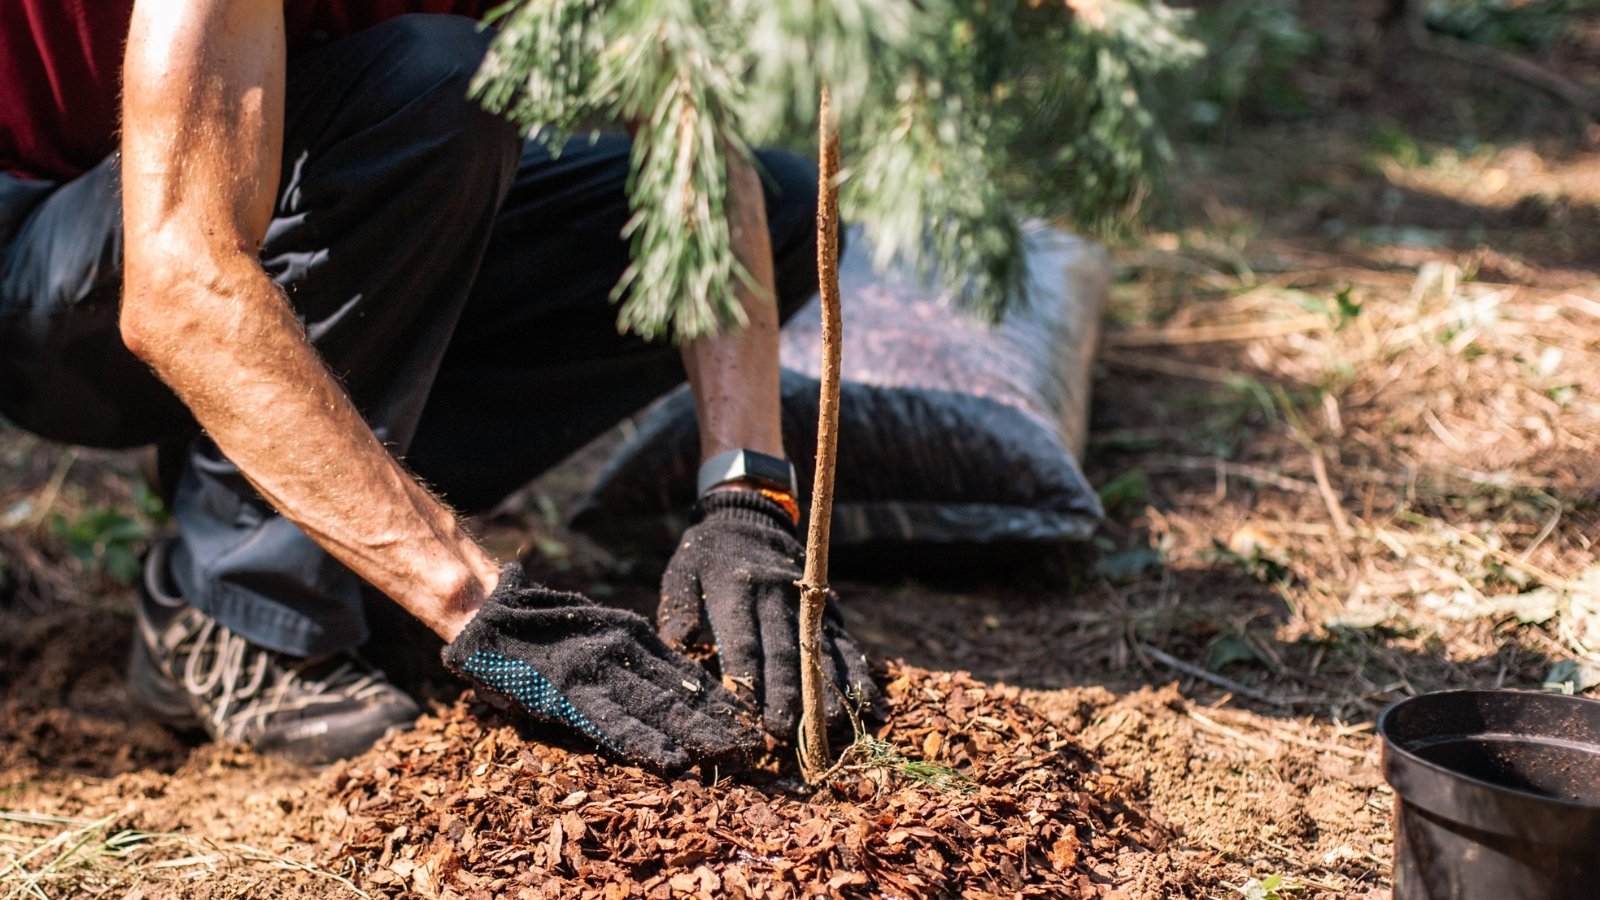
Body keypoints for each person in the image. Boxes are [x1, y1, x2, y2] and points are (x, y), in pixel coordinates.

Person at [0, 1, 875, 773]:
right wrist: (477, 610)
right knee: (444, 85)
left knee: (783, 204)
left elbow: (694, 149)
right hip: (54, 268)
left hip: (320, 183)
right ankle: (237, 610)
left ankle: (334, 530)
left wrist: (746, 495)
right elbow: (178, 285)